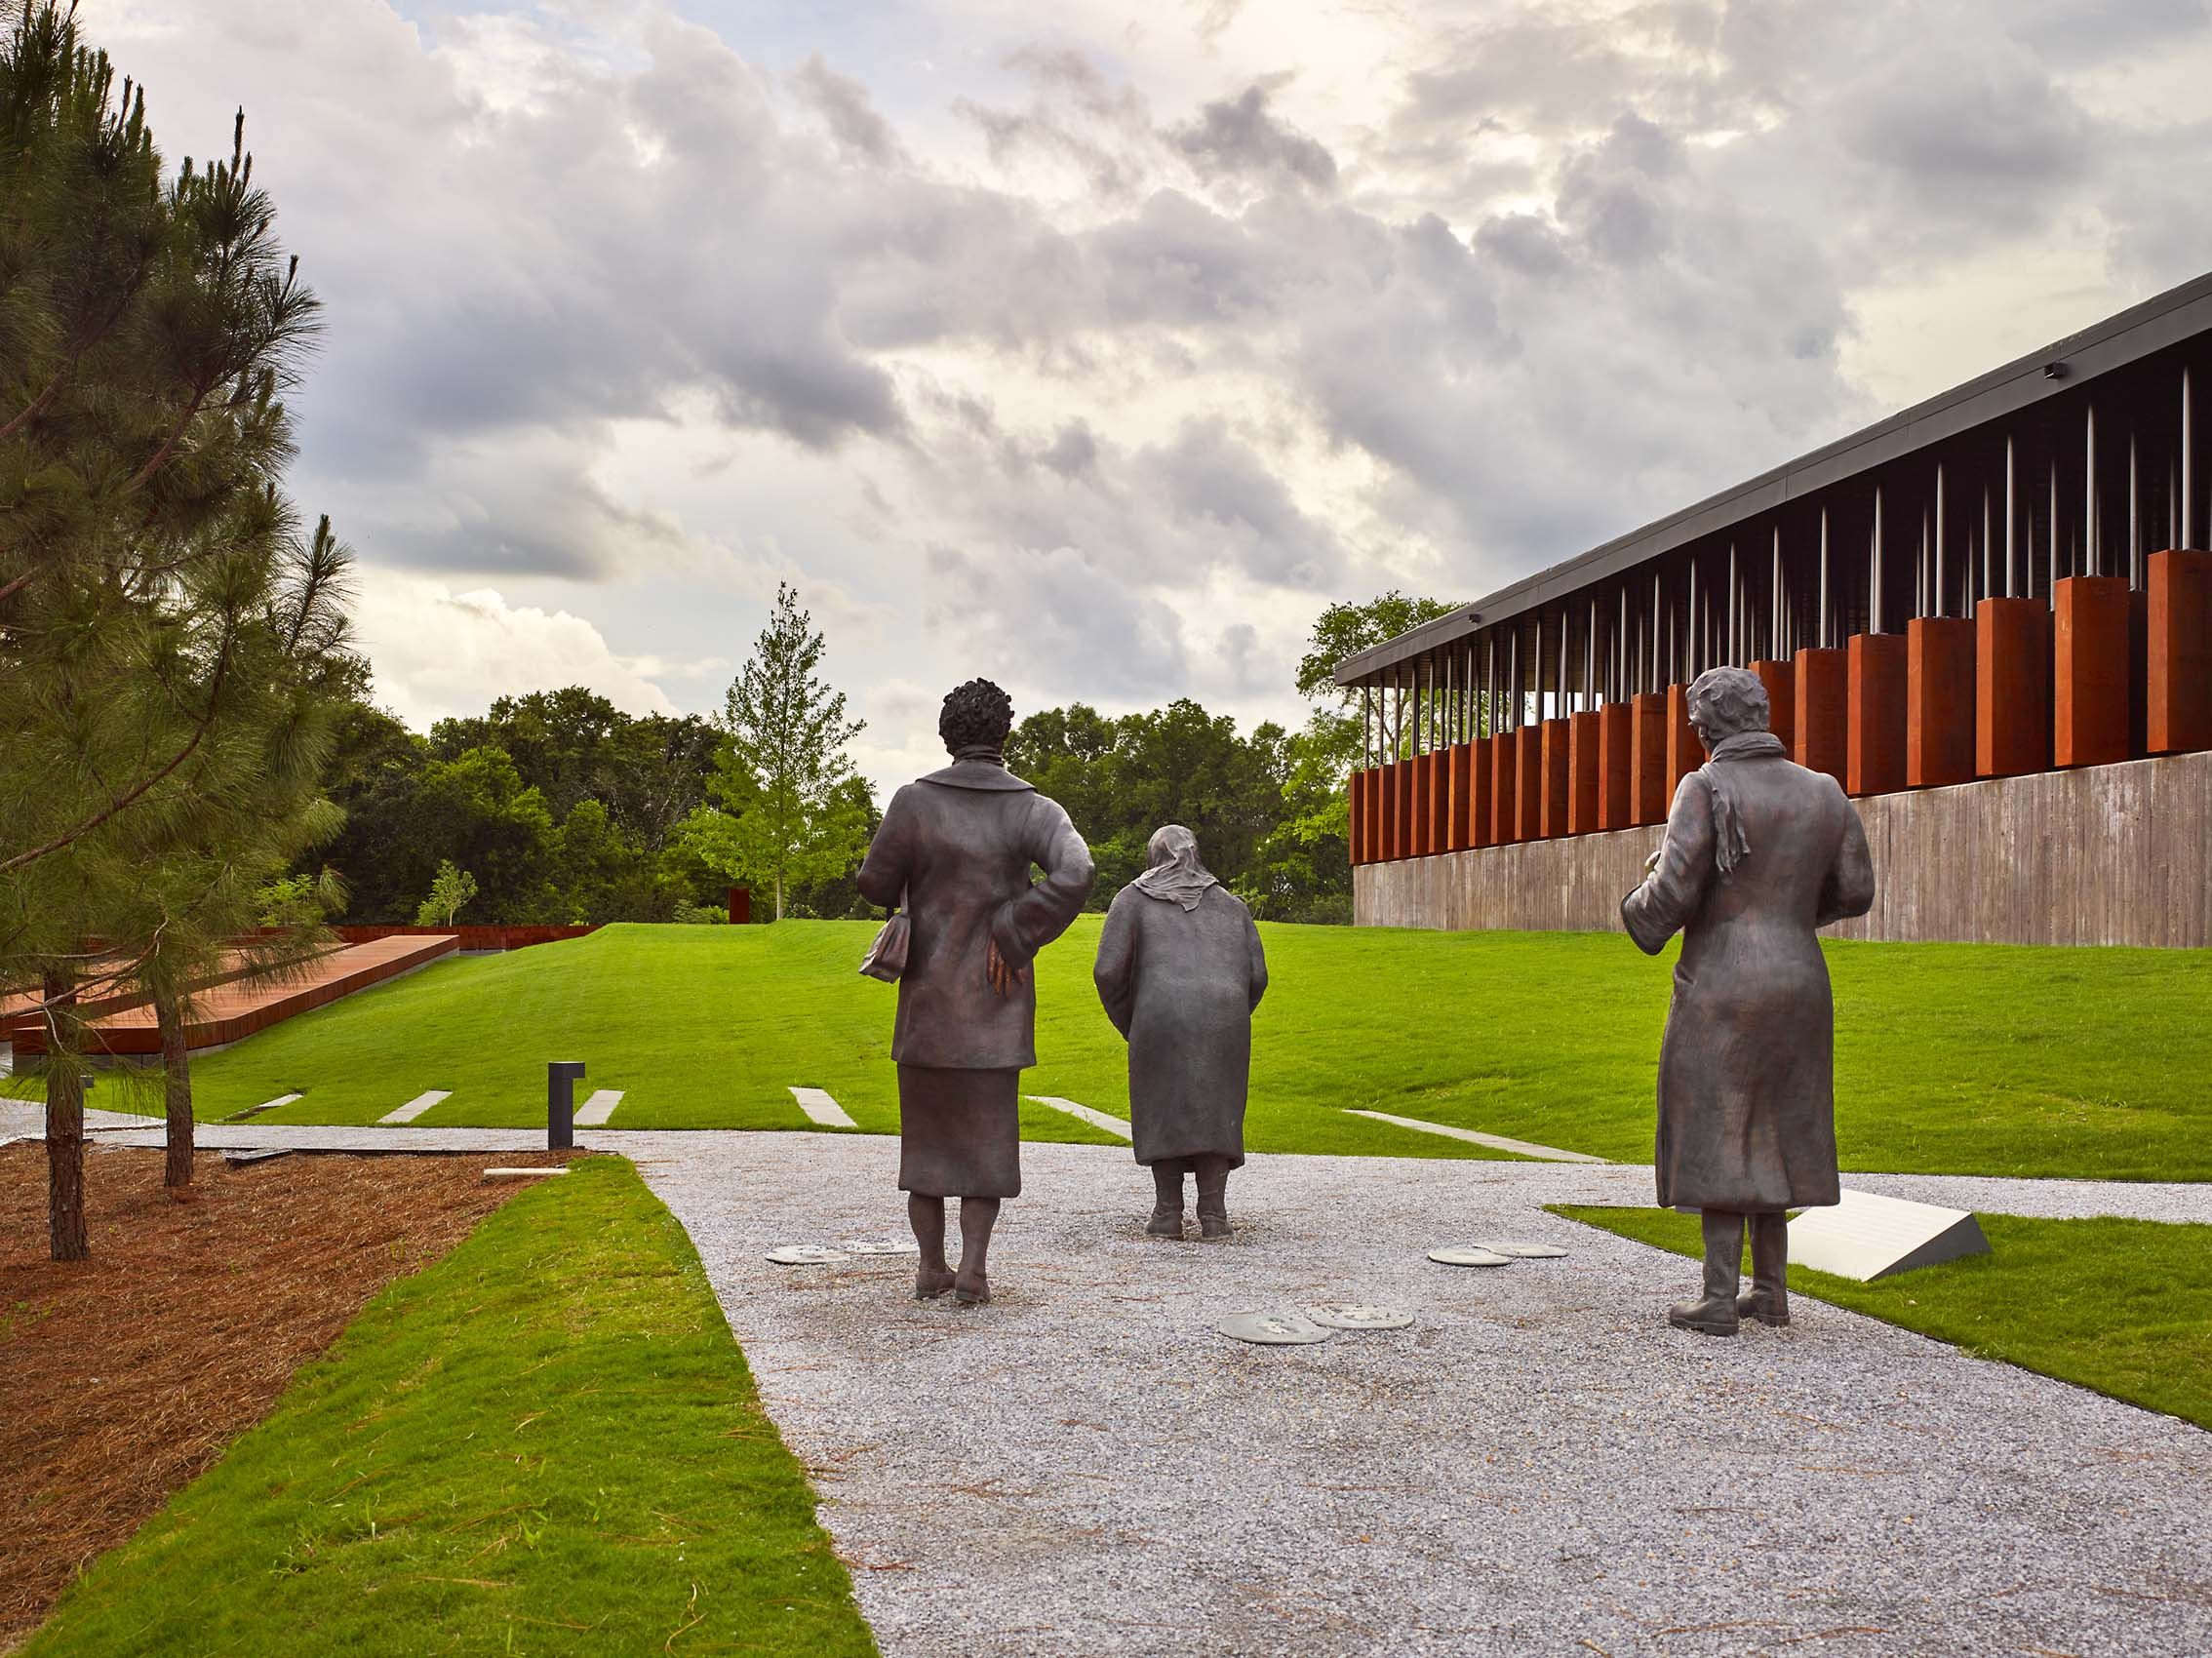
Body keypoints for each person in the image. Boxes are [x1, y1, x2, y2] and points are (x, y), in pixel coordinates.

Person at [1620, 665, 1875, 1336]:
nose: (1695, 732)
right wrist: (1787, 911)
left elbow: (1671, 896)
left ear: (1708, 724)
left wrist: (1638, 898)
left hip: (1724, 983)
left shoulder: (1704, 786)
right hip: (1800, 977)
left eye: (1695, 722)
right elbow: (1855, 891)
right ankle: (1770, 1292)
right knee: (1780, 1124)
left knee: (1720, 1123)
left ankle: (1716, 1297)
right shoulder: (1824, 790)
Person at [856, 679, 1093, 1305]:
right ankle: (974, 1269)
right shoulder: (1035, 810)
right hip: (996, 1004)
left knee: (926, 1146)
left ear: (947, 735)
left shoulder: (913, 802)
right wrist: (1017, 927)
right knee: (987, 1146)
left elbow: (874, 882)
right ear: (1004, 734)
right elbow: (1078, 870)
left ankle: (930, 1267)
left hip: (930, 1008)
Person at [1092, 825, 1269, 1240]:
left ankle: (1168, 1213)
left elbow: (1107, 971)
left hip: (1159, 1016)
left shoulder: (1131, 900)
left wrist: (1133, 1022)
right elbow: (1258, 975)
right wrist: (1229, 1015)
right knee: (1217, 1107)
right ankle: (1214, 1214)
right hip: (1225, 1017)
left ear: (1153, 857)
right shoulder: (1233, 906)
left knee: (1161, 1103)